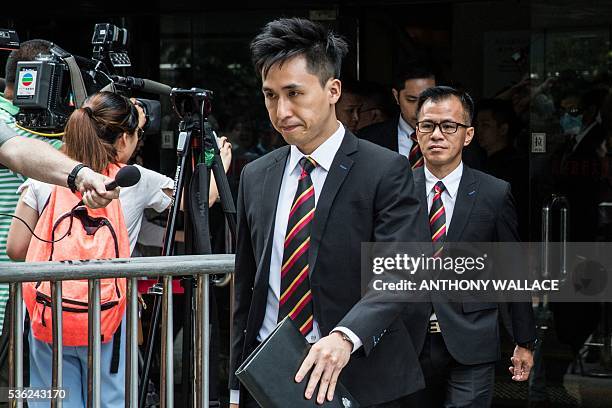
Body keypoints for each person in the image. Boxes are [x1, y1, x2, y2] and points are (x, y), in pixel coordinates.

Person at [229, 17, 427, 408]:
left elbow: (401, 270)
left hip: (356, 374)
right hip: (269, 374)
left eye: (294, 93)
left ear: (332, 90)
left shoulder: (384, 170)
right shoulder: (256, 175)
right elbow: (247, 289)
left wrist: (345, 336)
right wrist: (237, 387)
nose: (282, 110)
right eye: (270, 95)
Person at [6, 91, 230, 407]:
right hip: (109, 317)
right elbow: (200, 201)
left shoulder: (47, 174)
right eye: (137, 135)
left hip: (48, 313)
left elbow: (15, 247)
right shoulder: (135, 180)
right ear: (123, 140)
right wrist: (215, 158)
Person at [402, 86, 536, 407]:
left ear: (468, 134)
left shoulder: (494, 193)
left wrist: (524, 341)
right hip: (407, 341)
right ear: (416, 132)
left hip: (472, 340)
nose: (437, 135)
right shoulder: (395, 190)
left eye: (449, 126)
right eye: (427, 125)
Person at [358, 66, 435, 168]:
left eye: (427, 100)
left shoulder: (456, 139)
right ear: (396, 96)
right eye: (411, 100)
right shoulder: (368, 140)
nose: (420, 109)